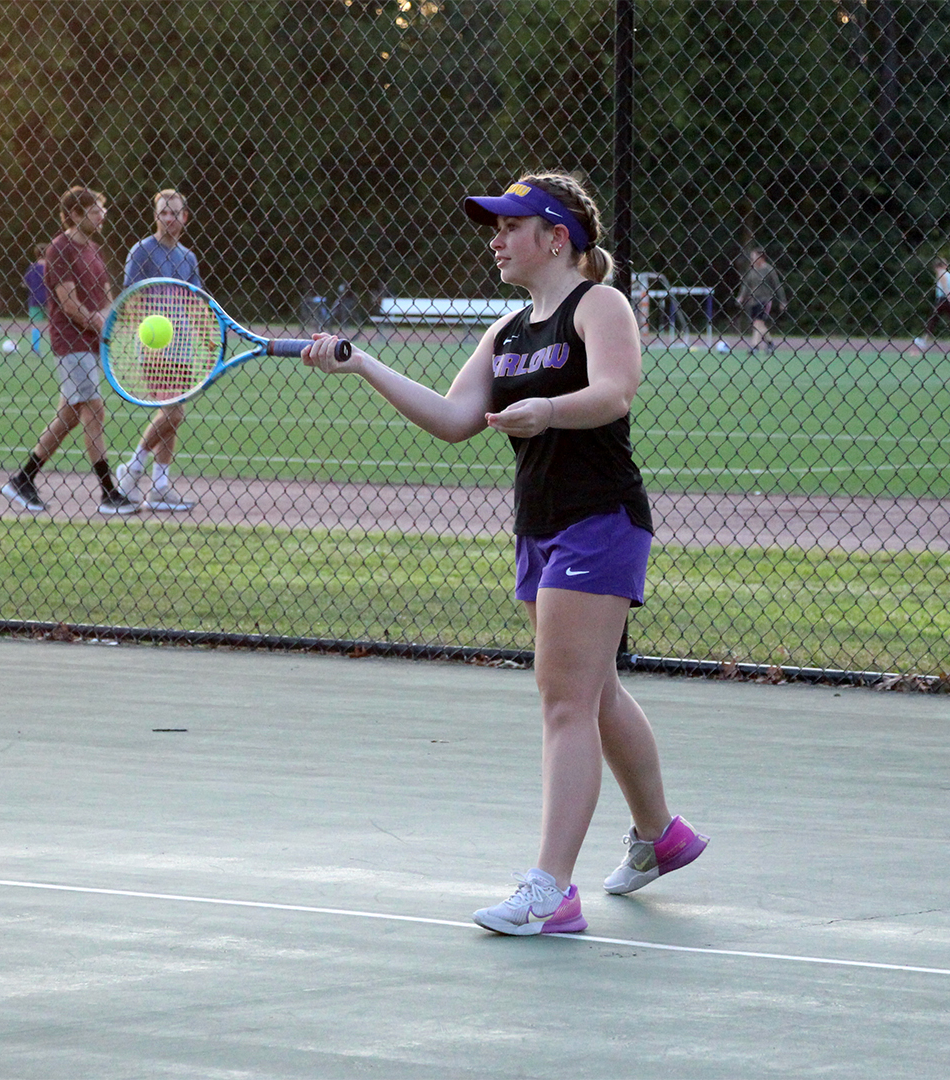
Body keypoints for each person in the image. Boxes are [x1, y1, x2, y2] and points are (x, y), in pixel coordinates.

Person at [299, 173, 709, 936]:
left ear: (557, 238)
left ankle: (552, 890)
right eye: (493, 227)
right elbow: (457, 418)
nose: (493, 239)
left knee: (563, 703)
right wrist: (362, 366)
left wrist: (547, 409)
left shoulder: (601, 305)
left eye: (509, 227)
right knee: (594, 693)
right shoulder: (508, 330)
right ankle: (661, 836)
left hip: (600, 519)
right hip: (540, 525)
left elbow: (618, 390)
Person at [0, 186, 132, 516]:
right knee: (94, 410)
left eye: (102, 209)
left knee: (69, 416)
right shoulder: (60, 250)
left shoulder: (94, 250)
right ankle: (108, 493)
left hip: (91, 342)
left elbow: (104, 295)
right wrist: (98, 322)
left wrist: (116, 320)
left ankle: (22, 479)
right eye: (95, 210)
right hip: (71, 341)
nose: (102, 215)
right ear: (74, 214)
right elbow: (68, 303)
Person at [110, 188, 201, 513]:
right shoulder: (142, 252)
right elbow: (131, 299)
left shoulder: (188, 257)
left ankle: (160, 487)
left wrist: (205, 336)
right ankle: (133, 469)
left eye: (175, 212)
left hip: (183, 348)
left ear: (185, 217)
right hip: (153, 348)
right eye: (163, 212)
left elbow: (195, 303)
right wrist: (147, 344)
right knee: (173, 411)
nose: (169, 218)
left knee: (173, 419)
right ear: (155, 215)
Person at [738, 245, 786, 354]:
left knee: (758, 323)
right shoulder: (752, 270)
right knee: (759, 324)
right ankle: (770, 343)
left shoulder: (769, 270)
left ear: (761, 257)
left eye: (754, 257)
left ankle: (755, 346)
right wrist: (742, 296)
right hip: (754, 300)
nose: (752, 259)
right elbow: (746, 284)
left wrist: (782, 301)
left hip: (765, 300)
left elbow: (777, 286)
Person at [913, 256, 950, 352]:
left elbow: (945, 288)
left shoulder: (941, 274)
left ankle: (924, 340)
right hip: (947, 299)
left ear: (938, 267)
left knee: (933, 319)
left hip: (943, 299)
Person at [24, 255, 48, 353]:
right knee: (55, 322)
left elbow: (25, 282)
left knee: (35, 324)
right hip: (49, 298)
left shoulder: (32, 268)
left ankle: (35, 347)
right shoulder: (49, 268)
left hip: (34, 298)